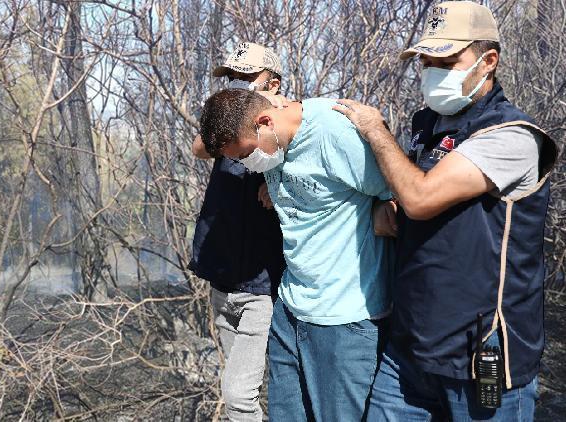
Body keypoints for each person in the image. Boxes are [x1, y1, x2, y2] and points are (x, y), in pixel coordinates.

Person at [333, 2, 559, 420]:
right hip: (411, 349)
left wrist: (375, 129)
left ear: (488, 61)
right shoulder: (427, 124)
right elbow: (408, 202)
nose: (432, 70)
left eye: (447, 60)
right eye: (426, 60)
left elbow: (421, 198)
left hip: (479, 357)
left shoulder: (512, 137)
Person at [198, 88, 393, 421]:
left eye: (246, 154)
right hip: (290, 312)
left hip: (343, 318)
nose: (248, 164)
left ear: (264, 122)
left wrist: (378, 215)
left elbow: (397, 194)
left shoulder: (333, 131)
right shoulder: (273, 142)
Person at [188, 42, 286, 422]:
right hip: (221, 281)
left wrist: (277, 181)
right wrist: (229, 121)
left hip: (260, 289)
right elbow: (200, 147)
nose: (235, 84)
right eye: (231, 77)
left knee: (238, 397)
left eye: (246, 78)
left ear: (272, 85)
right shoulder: (227, 129)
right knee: (242, 389)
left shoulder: (286, 131)